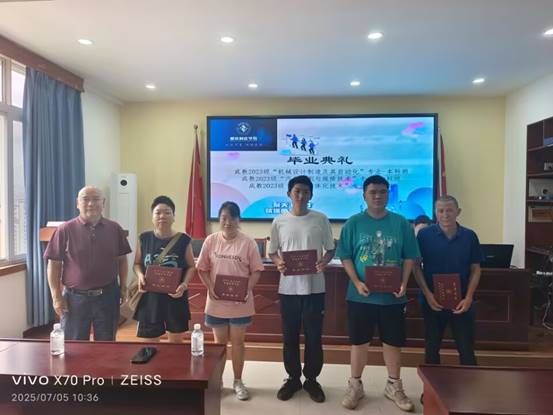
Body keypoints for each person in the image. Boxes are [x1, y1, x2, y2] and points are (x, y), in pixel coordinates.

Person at [337, 175, 419, 412]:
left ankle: (394, 385)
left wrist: (404, 282)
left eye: (382, 192)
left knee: (393, 342)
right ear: (364, 195)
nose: (378, 196)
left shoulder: (401, 223)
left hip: (393, 297)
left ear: (388, 194)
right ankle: (355, 385)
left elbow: (409, 257)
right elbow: (345, 256)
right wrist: (356, 282)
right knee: (359, 342)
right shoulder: (353, 223)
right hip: (360, 295)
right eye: (373, 192)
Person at [268, 175, 335, 403]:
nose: (301, 195)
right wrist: (279, 262)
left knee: (314, 336)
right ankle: (293, 378)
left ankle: (312, 380)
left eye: (306, 191)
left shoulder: (320, 219)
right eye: (297, 191)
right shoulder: (279, 221)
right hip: (288, 289)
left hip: (315, 288)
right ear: (289, 194)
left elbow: (330, 249)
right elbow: (272, 252)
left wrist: (324, 261)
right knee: (290, 336)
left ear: (311, 195)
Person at [196, 201, 264, 401]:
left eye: (232, 217)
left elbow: (256, 271)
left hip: (240, 303)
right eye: (224, 217)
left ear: (238, 220)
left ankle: (238, 381)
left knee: (238, 343)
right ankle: (218, 381)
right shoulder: (211, 241)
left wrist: (246, 289)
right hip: (216, 302)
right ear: (219, 219)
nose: (228, 222)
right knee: (219, 345)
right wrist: (210, 287)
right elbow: (202, 269)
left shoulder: (248, 243)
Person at [44, 186, 131, 341]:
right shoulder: (64, 229)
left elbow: (122, 260)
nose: (91, 203)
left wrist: (123, 286)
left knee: (107, 343)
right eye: (85, 199)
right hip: (74, 299)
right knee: (74, 345)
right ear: (77, 203)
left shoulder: (114, 228)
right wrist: (56, 296)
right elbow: (54, 265)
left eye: (96, 199)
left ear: (103, 203)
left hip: (108, 296)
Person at [413, 195, 482, 367]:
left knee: (466, 348)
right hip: (432, 301)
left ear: (458, 212)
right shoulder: (424, 235)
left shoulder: (469, 236)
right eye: (441, 211)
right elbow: (416, 267)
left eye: (449, 210)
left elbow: (476, 269)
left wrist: (469, 297)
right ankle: (431, 384)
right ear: (435, 213)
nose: (445, 215)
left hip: (462, 302)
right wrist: (427, 294)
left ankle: (470, 384)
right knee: (432, 347)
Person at [133, 195, 195, 343]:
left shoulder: (183, 240)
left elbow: (191, 266)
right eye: (158, 212)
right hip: (150, 299)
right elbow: (137, 264)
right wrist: (140, 276)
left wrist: (184, 284)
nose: (162, 216)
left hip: (175, 298)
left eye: (167, 212)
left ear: (174, 217)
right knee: (149, 347)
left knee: (175, 346)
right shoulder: (144, 238)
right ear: (152, 217)